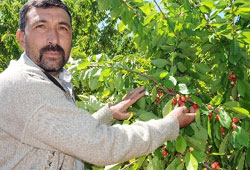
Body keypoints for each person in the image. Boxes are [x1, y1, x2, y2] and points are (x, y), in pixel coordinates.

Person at [0, 0, 197, 169]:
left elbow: (66, 137)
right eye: (40, 27)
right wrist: (169, 125)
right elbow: (100, 145)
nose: (54, 38)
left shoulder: (46, 79)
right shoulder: (26, 86)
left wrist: (107, 115)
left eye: (63, 28)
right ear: (21, 39)